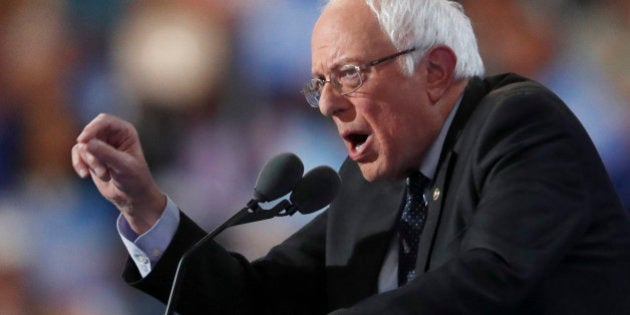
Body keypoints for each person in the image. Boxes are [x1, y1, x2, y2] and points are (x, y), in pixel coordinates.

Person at [71, 0, 630, 314]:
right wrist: (145, 205)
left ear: (434, 71)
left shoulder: (519, 125)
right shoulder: (372, 181)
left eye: (349, 75)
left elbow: (485, 281)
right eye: (318, 85)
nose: (329, 104)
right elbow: (254, 300)